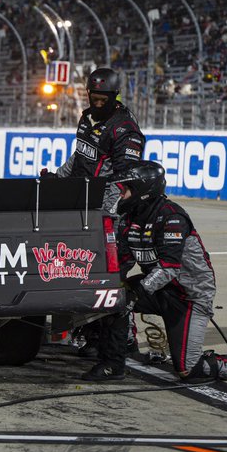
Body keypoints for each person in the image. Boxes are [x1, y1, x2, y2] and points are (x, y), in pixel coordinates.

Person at [82, 160, 227, 383]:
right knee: (114, 295)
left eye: (127, 190)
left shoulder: (172, 217)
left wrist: (136, 293)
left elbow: (169, 268)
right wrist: (100, 287)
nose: (122, 195)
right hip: (158, 290)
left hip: (189, 297)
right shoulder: (130, 219)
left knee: (189, 371)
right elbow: (122, 262)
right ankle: (113, 362)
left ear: (143, 191)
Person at [49, 67, 145, 359]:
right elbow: (79, 156)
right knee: (83, 275)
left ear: (114, 96)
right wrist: (58, 178)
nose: (98, 103)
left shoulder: (125, 129)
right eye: (94, 97)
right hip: (83, 206)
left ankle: (124, 339)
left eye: (104, 99)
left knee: (109, 279)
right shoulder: (87, 117)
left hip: (107, 216)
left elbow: (125, 180)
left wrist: (106, 217)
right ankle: (91, 335)